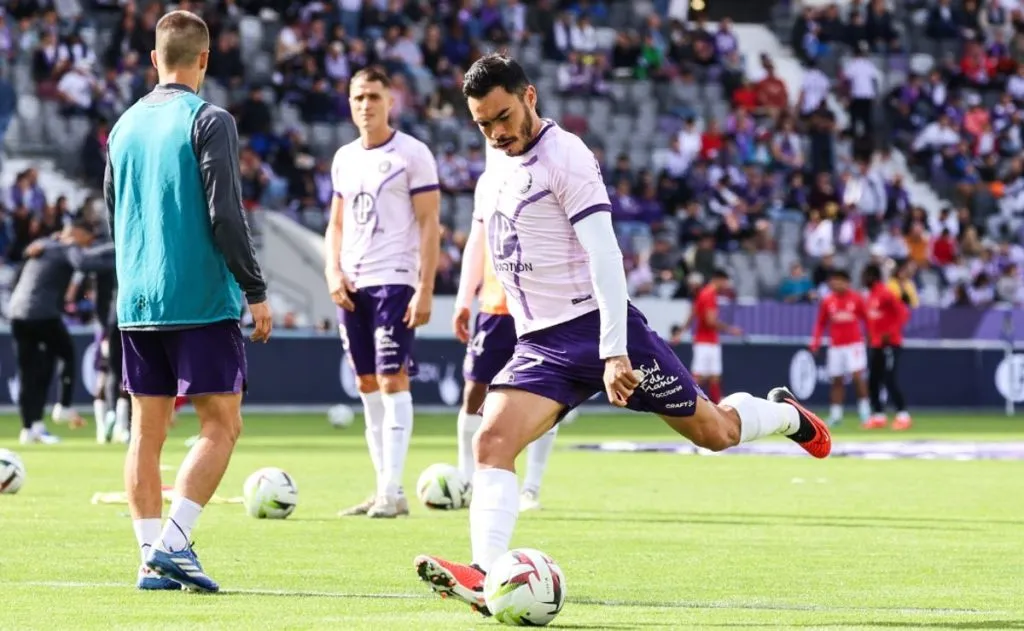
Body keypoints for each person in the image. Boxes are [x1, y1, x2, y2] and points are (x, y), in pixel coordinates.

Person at [412, 54, 833, 616]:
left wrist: (614, 351)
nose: (496, 131)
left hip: (601, 330)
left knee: (713, 433)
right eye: (483, 123)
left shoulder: (568, 157)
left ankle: (784, 415)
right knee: (491, 442)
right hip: (541, 343)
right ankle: (488, 577)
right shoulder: (497, 163)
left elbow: (605, 255)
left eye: (503, 116)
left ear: (530, 96)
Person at [105, 10, 271, 593]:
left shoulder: (122, 127)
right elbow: (225, 213)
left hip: (138, 299)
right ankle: (174, 543)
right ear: (205, 58)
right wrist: (255, 290)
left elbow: (113, 214)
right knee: (221, 424)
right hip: (198, 296)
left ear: (154, 59)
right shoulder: (210, 119)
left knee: (145, 433)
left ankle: (148, 558)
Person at [325, 67, 441, 519]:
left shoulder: (412, 154)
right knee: (366, 384)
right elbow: (336, 223)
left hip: (394, 278)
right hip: (352, 283)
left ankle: (392, 490)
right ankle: (382, 489)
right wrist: (332, 271)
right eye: (358, 97)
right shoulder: (344, 158)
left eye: (374, 96)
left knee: (393, 378)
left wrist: (425, 286)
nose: (366, 105)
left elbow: (430, 223)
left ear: (391, 101)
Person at [454, 153, 564, 513]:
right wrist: (463, 298)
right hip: (494, 307)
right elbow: (477, 239)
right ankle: (466, 479)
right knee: (474, 392)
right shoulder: (488, 181)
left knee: (544, 400)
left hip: (539, 309)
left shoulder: (549, 173)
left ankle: (530, 487)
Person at [9, 222, 114, 445]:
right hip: (42, 313)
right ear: (78, 234)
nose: (89, 244)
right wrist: (118, 248)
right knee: (67, 354)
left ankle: (30, 428)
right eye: (88, 239)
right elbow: (85, 263)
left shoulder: (44, 244)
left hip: (18, 313)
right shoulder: (68, 247)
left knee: (33, 372)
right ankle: (64, 406)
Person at [809, 269, 870, 427]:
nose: (837, 283)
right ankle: (836, 415)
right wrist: (815, 342)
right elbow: (821, 323)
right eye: (834, 280)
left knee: (858, 377)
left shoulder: (856, 298)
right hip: (836, 346)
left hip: (854, 344)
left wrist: (871, 337)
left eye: (840, 280)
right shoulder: (828, 301)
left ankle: (865, 413)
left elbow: (867, 319)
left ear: (847, 282)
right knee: (837, 380)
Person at [681, 269, 742, 404]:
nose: (726, 285)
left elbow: (693, 313)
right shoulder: (709, 295)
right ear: (719, 279)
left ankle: (717, 405)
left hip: (706, 341)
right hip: (706, 342)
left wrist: (681, 332)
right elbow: (711, 321)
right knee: (699, 376)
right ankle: (686, 400)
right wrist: (731, 329)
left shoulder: (704, 293)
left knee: (714, 376)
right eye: (725, 281)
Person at [862, 264, 911, 430]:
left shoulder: (885, 293)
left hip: (891, 343)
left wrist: (890, 333)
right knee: (873, 380)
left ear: (872, 277)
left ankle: (903, 415)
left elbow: (904, 313)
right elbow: (874, 319)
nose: (863, 280)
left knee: (889, 379)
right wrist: (870, 334)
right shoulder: (871, 295)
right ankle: (878, 416)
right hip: (876, 344)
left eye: (865, 276)